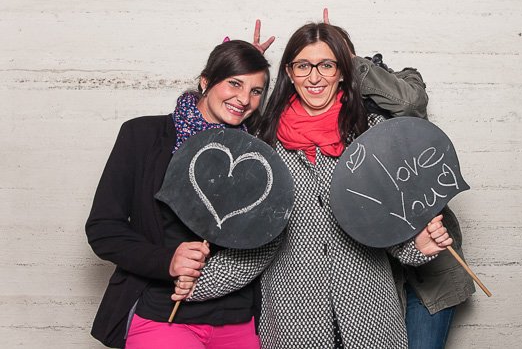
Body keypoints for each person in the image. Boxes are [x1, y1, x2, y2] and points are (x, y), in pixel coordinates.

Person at [181, 23, 453, 349]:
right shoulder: (263, 145)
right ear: (289, 72)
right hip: (294, 321)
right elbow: (257, 243)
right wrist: (197, 283)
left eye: (326, 65)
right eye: (303, 66)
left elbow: (386, 222)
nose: (314, 77)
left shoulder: (372, 135)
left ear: (343, 72)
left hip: (371, 315)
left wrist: (418, 247)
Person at [85, 27, 278, 348]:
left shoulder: (258, 153)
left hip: (240, 320)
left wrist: (345, 62)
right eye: (234, 83)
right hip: (163, 315)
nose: (244, 99)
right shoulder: (142, 136)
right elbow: (104, 229)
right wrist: (167, 261)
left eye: (256, 91)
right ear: (205, 81)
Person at [326, 11, 476, 349]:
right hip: (379, 272)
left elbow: (410, 104)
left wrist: (352, 63)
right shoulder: (328, 117)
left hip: (433, 269)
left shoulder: (401, 81)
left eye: (336, 59)